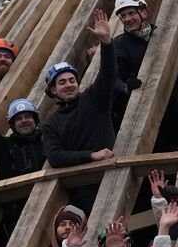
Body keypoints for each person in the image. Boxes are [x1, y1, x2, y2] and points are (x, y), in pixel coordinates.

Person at [41, 10, 122, 171]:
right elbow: (55, 157)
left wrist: (106, 42)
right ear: (54, 90)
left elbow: (108, 74)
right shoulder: (51, 123)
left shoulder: (94, 99)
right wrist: (92, 155)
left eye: (72, 80)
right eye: (62, 82)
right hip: (78, 186)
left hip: (109, 176)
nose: (69, 84)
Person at [108, 0, 152, 89]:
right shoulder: (119, 44)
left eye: (131, 13)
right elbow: (112, 78)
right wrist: (126, 86)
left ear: (144, 13)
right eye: (123, 16)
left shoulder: (157, 34)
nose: (127, 19)